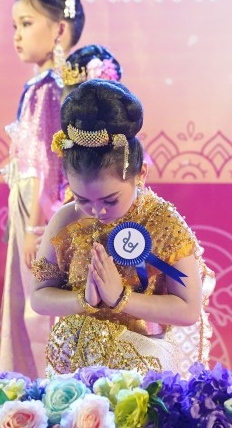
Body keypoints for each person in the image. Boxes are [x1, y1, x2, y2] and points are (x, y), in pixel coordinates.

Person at [30, 79, 211, 375]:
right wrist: (83, 300)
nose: (97, 211)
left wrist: (121, 299)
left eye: (110, 199)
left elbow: (188, 309)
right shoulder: (66, 220)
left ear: (141, 174)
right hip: (74, 365)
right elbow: (39, 296)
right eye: (82, 199)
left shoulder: (163, 223)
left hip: (141, 364)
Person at [0, 0, 89, 377]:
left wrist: (36, 225)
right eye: (15, 25)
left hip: (39, 206)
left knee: (37, 304)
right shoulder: (41, 84)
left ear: (59, 30)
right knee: (27, 299)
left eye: (27, 23)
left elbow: (45, 160)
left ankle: (39, 387)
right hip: (31, 201)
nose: (17, 35)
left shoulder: (50, 87)